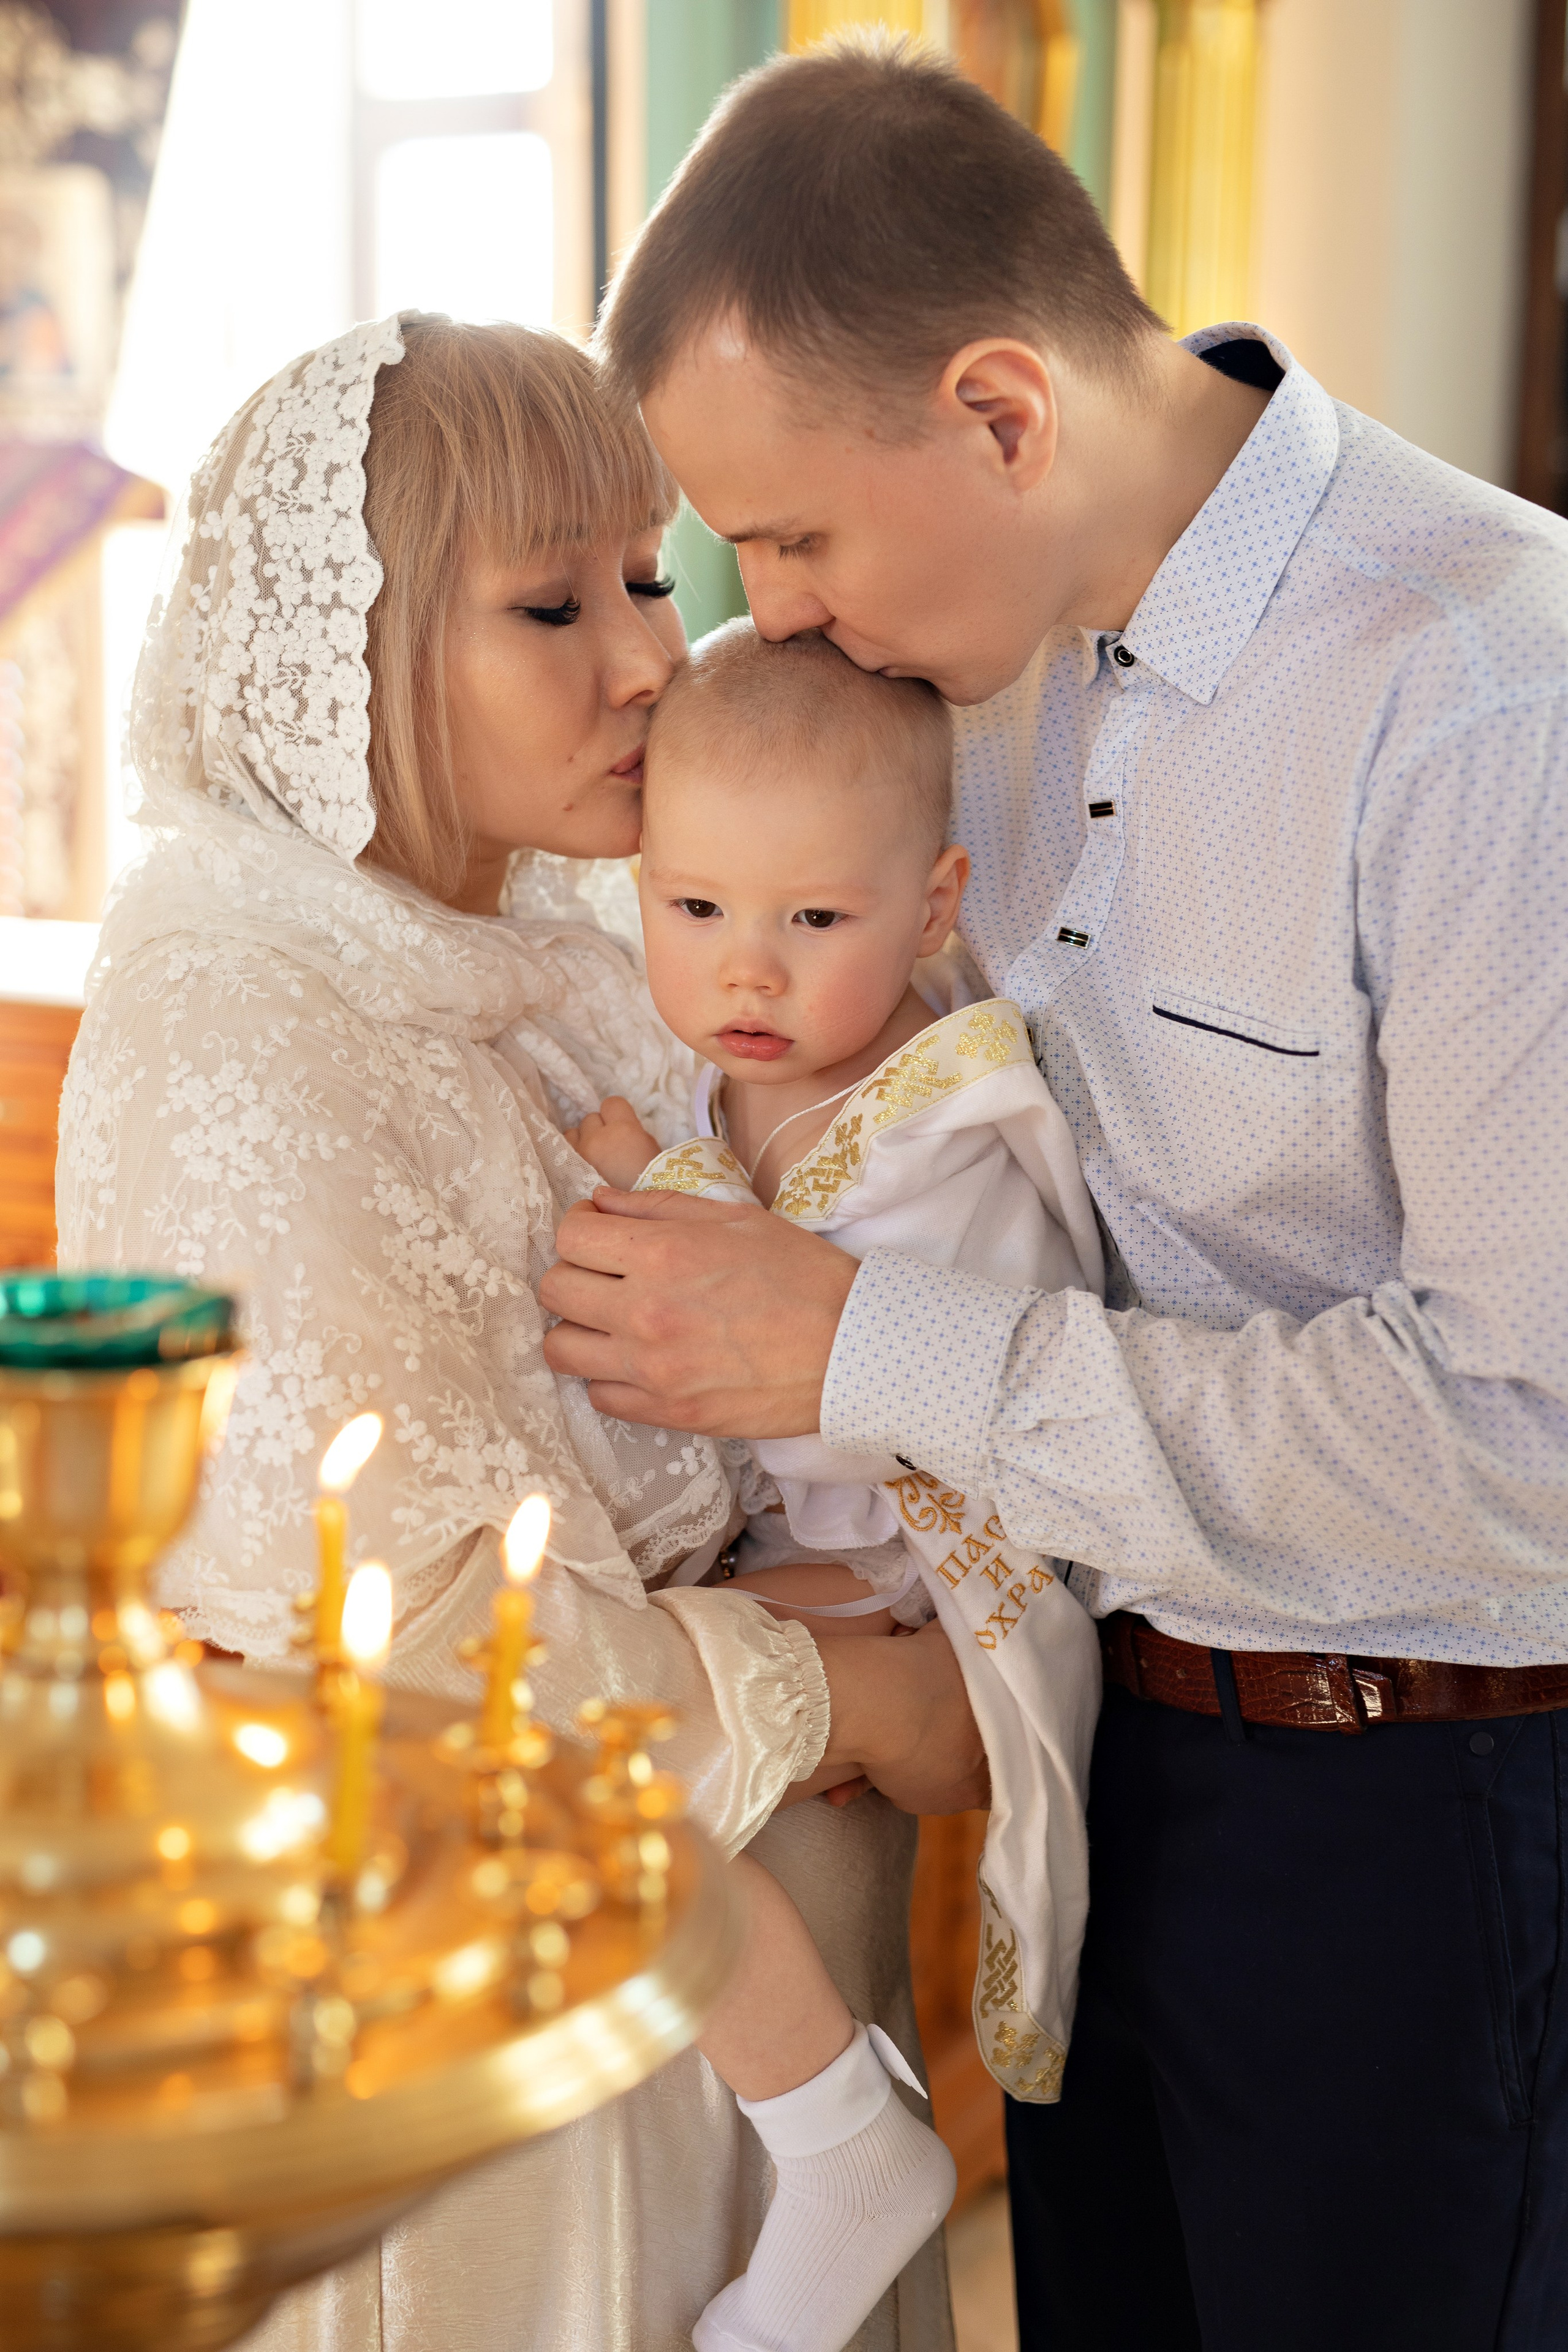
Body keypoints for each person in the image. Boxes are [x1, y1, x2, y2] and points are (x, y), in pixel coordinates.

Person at [543, 37, 1568, 2352]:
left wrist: (857, 1347)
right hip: (1091, 1784)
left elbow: (1535, 1449)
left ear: (1002, 412)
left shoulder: (1495, 702)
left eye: (790, 535)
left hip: (1420, 1824)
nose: (773, 613)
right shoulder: (945, 673)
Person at [56, 309, 976, 2352]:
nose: (652, 654)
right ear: (356, 655)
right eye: (553, 602)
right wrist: (854, 1696)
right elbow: (408, 1609)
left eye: (649, 573)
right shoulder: (238, 1015)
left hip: (747, 1955)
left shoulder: (580, 945)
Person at [571, 619, 1109, 2352]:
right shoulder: (696, 1072)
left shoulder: (950, 1121)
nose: (751, 970)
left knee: (629, 1722)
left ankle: (850, 2146)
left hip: (931, 1572)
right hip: (787, 1540)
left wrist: (688, 1228)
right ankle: (806, 2122)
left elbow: (927, 1401)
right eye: (699, 909)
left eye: (817, 921)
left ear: (934, 907)